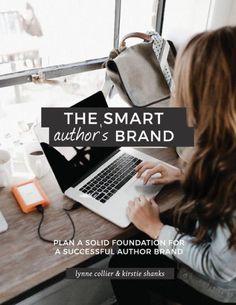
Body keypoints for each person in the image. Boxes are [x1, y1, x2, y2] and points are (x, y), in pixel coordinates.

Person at [109, 26, 236, 305]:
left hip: (223, 290)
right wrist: (183, 175)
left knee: (125, 259)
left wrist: (155, 228)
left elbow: (220, 268)